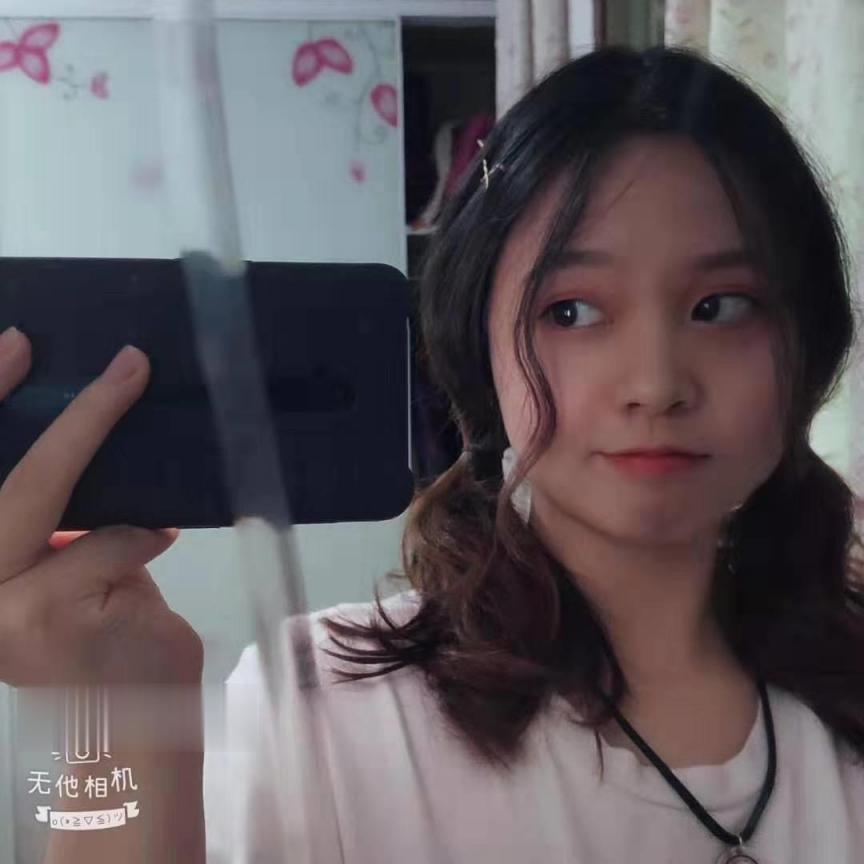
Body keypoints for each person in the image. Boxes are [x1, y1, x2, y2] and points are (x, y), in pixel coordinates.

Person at [2, 44, 863, 864]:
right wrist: (125, 712)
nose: (656, 384)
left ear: (810, 342)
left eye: (720, 306)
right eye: (571, 311)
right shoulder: (321, 707)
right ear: (478, 348)